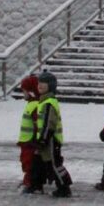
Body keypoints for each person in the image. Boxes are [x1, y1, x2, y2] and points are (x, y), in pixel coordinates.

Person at [33, 70, 73, 198]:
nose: (40, 85)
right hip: (47, 138)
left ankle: (64, 186)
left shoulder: (49, 103)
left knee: (54, 164)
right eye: (39, 83)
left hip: (51, 139)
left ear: (50, 86)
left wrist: (43, 139)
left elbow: (48, 123)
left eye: (43, 83)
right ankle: (37, 184)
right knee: (45, 162)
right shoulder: (44, 101)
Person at [18, 75, 40, 192]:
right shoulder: (32, 104)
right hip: (27, 141)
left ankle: (30, 183)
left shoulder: (34, 106)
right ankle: (29, 181)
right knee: (26, 161)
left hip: (30, 142)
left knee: (29, 163)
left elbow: (37, 125)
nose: (23, 94)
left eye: (24, 91)